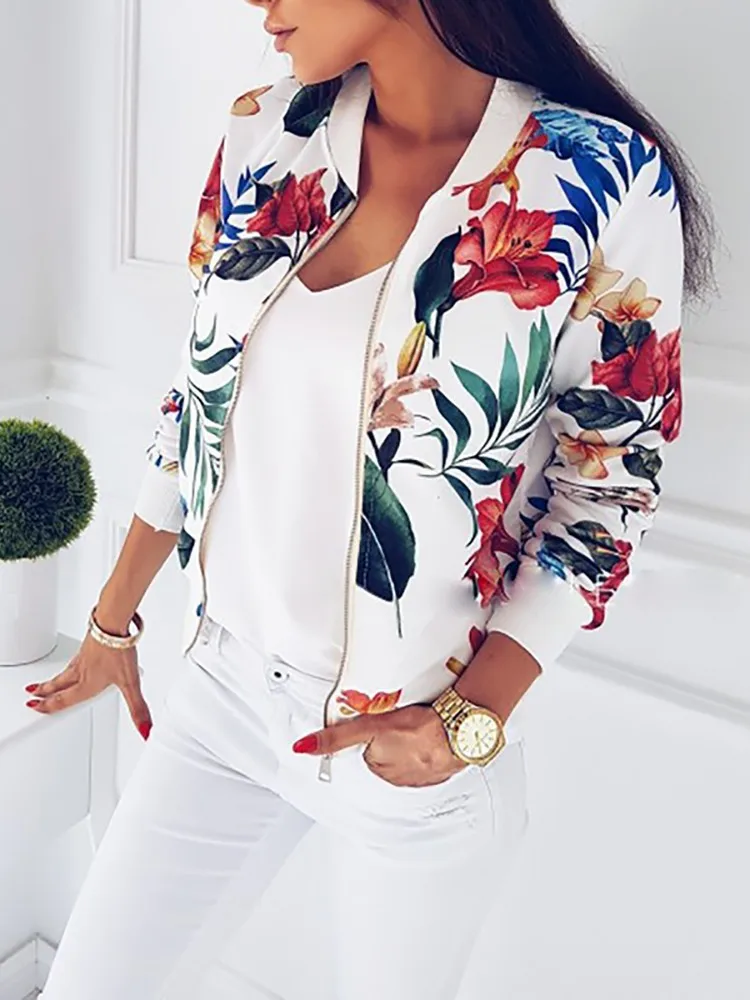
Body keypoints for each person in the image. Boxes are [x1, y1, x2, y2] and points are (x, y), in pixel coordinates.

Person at [29, 0, 714, 996]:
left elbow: (607, 483)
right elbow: (197, 395)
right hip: (223, 696)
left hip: (414, 744)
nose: (256, 3)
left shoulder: (597, 176)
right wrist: (111, 618)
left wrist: (469, 721)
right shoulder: (268, 130)